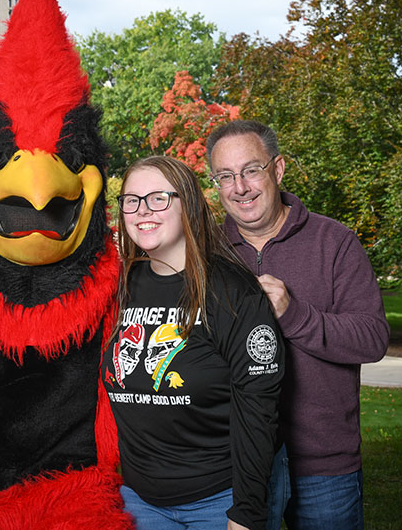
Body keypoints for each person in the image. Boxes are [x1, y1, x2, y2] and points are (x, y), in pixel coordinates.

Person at [206, 120, 390, 530]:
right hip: (240, 466)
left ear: (278, 169)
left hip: (324, 465)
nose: (240, 187)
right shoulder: (207, 252)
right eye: (225, 176)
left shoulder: (334, 241)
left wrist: (293, 313)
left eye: (251, 170)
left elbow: (373, 338)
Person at [103, 155, 284, 530]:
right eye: (131, 200)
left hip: (219, 500)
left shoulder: (232, 292)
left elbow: (258, 413)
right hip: (139, 500)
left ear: (188, 203)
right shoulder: (118, 287)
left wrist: (246, 514)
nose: (141, 210)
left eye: (158, 198)